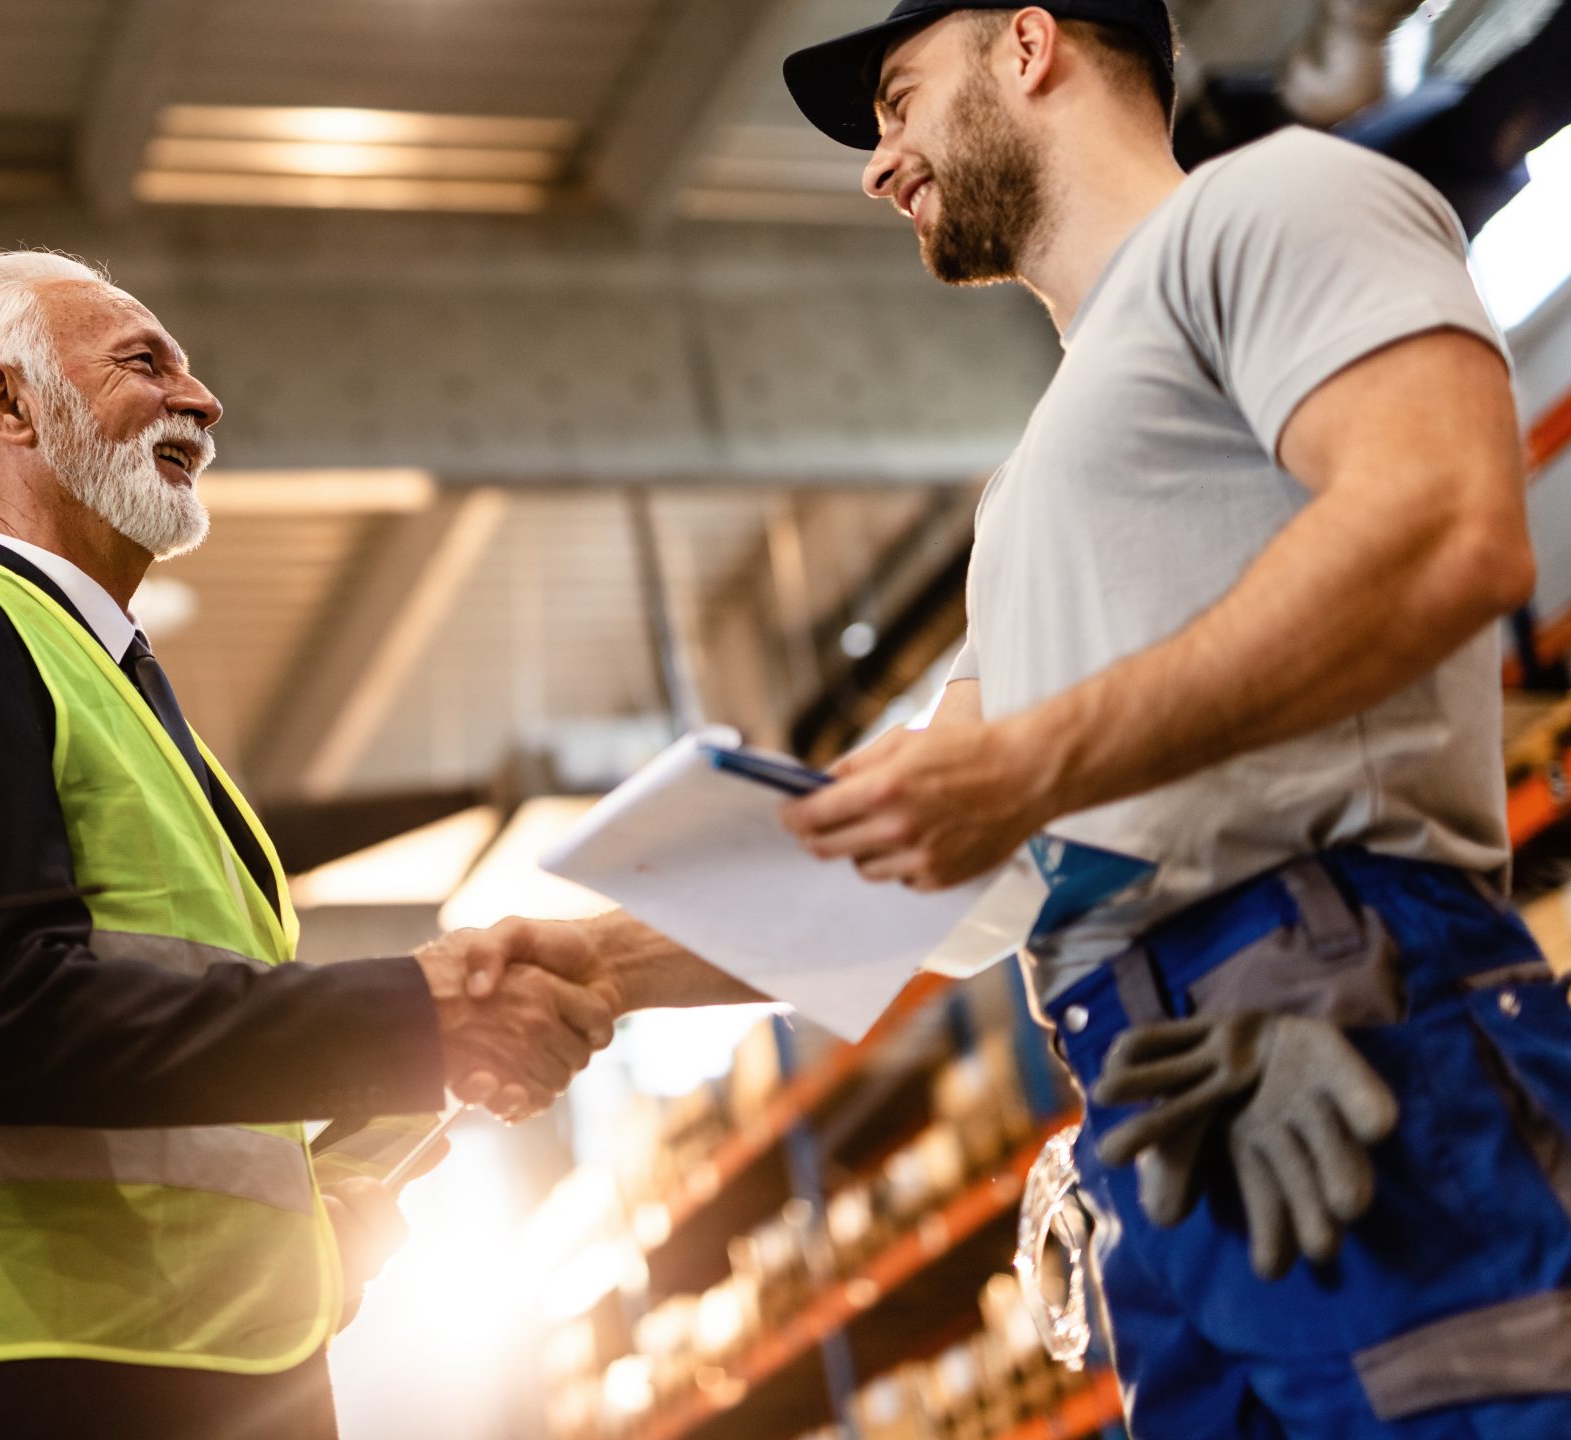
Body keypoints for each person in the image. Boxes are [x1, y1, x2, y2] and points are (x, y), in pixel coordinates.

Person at [460, 2, 1571, 1434]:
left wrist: (1031, 764)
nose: (883, 165)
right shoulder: (1029, 495)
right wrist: (599, 962)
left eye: (899, 101)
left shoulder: (1278, 202)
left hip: (1348, 1025)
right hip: (1162, 1114)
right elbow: (946, 845)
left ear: (1030, 45)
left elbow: (1440, 526)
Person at [0, 250, 616, 1440]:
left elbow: (177, 1072)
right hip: (32, 1380)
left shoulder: (120, 694)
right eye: (144, 363)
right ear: (8, 404)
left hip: (211, 1372)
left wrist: (334, 1195)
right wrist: (412, 1014)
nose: (203, 400)